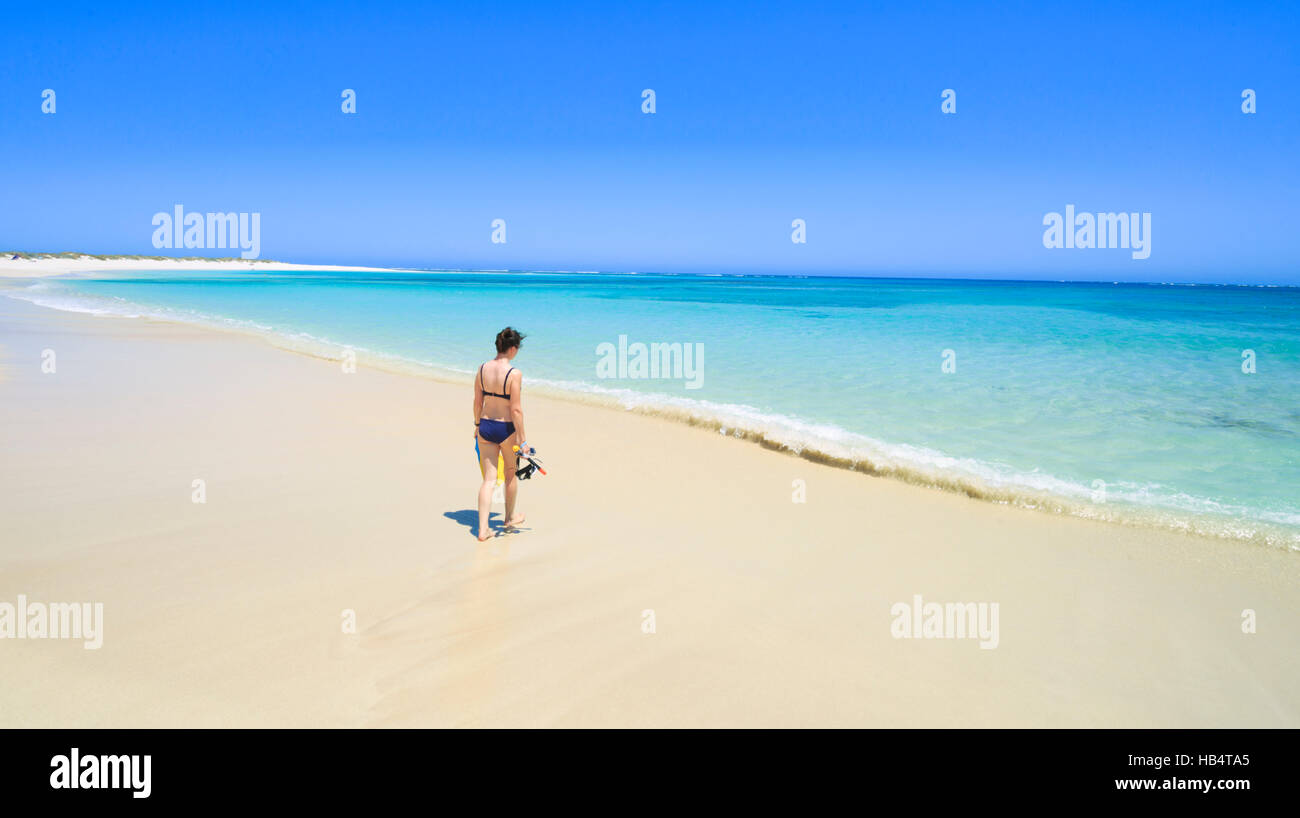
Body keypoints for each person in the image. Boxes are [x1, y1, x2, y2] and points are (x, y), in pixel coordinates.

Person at [473, 327, 529, 540]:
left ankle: (483, 529)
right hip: (506, 429)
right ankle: (509, 518)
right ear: (513, 349)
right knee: (510, 474)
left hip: (486, 425)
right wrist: (523, 440)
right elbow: (516, 409)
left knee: (488, 480)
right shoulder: (514, 374)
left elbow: (477, 402)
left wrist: (477, 425)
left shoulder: (481, 369)